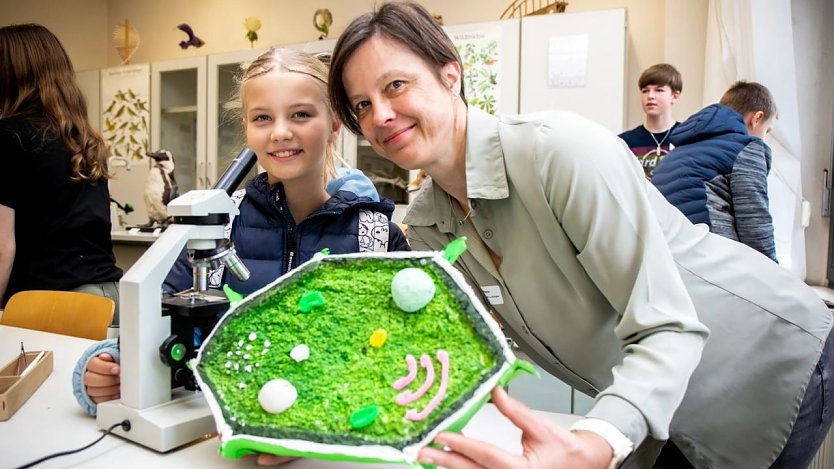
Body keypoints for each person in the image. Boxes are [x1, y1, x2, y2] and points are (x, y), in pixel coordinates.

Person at [327, 2, 833, 468]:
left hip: (771, 365)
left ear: (450, 75)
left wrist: (594, 443)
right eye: (362, 105)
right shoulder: (428, 226)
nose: (381, 116)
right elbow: (465, 345)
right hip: (659, 402)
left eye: (395, 86)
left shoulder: (557, 153)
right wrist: (319, 425)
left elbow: (667, 325)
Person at [72, 48, 410, 444]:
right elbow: (155, 315)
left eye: (301, 114)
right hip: (217, 439)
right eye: (263, 117)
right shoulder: (216, 225)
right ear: (247, 131)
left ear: (335, 122)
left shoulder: (377, 236)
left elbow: (407, 356)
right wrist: (106, 365)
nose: (280, 132)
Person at [0, 24, 122, 311]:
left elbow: (2, 248)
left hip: (52, 306)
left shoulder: (7, 136)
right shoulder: (82, 138)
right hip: (109, 298)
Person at [651, 81, 778, 262]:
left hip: (663, 256)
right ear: (756, 119)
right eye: (767, 130)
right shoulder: (747, 147)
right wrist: (774, 276)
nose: (765, 138)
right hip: (706, 257)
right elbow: (754, 221)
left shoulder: (678, 150)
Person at [618, 63, 682, 178]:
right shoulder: (624, 142)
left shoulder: (687, 138)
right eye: (645, 91)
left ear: (675, 96)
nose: (650, 96)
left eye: (659, 90)